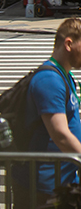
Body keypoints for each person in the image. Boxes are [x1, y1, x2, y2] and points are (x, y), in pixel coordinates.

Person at [24, 18, 81, 194]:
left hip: (62, 183)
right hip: (44, 190)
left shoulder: (65, 76)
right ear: (69, 44)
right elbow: (60, 134)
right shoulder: (49, 80)